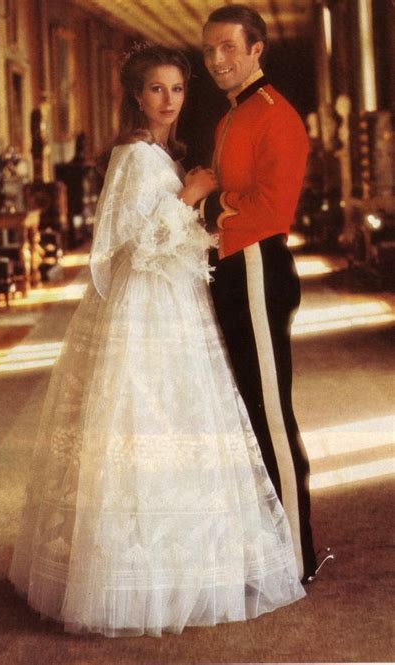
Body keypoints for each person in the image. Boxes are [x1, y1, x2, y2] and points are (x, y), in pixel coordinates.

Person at [9, 43, 305, 638]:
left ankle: (189, 562)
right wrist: (189, 197)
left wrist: (192, 200)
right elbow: (133, 245)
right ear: (135, 96)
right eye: (155, 90)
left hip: (176, 300)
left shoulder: (163, 153)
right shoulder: (134, 154)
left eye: (176, 89)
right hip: (145, 308)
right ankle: (136, 575)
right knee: (148, 421)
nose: (168, 100)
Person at [199, 4, 321, 582]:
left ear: (256, 50)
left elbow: (272, 211)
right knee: (247, 412)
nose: (218, 59)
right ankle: (269, 547)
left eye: (229, 48)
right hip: (232, 271)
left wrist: (203, 205)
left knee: (271, 416)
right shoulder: (231, 117)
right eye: (209, 50)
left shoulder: (276, 115)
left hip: (257, 271)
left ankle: (296, 559)